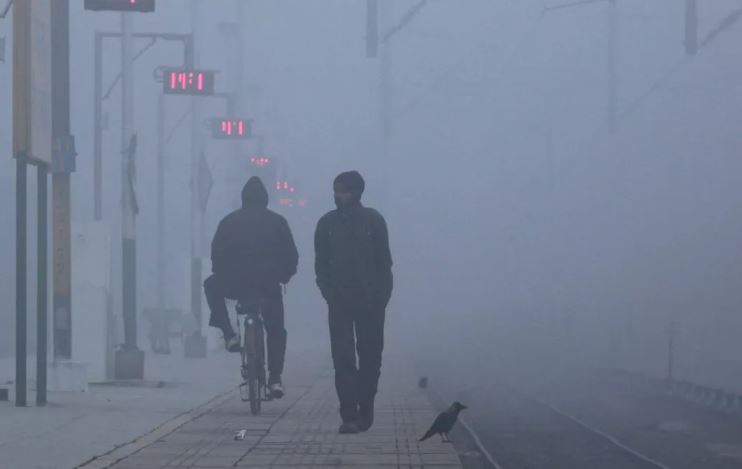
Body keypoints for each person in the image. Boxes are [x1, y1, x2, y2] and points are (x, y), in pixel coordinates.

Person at [204, 176, 298, 398]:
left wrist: (223, 272)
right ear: (265, 199)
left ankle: (229, 334)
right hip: (268, 286)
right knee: (276, 330)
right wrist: (284, 276)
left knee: (210, 284)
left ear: (243, 198)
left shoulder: (228, 222)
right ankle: (275, 379)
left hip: (235, 284)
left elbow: (216, 254)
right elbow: (291, 255)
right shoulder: (278, 222)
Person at [314, 171, 393, 434]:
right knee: (343, 358)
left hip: (371, 302)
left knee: (370, 357)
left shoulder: (373, 220)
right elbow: (321, 264)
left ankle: (366, 407)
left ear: (357, 193)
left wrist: (381, 297)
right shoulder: (326, 224)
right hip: (339, 302)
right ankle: (348, 413)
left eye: (344, 191)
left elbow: (384, 263)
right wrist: (328, 292)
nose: (338, 196)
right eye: (336, 190)